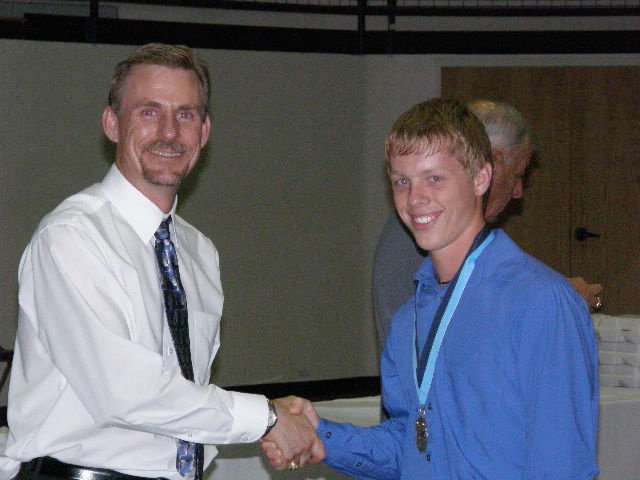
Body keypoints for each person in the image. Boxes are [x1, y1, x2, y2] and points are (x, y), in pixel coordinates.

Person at [0, 43, 324, 480]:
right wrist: (267, 417)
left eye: (185, 115)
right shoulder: (72, 237)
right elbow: (125, 391)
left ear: (204, 132)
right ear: (113, 124)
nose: (169, 133)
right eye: (149, 112)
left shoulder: (197, 251)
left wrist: (275, 417)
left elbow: (182, 393)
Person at [263, 98, 599, 478]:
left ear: (480, 178)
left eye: (434, 178)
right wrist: (321, 439)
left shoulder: (541, 302)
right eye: (402, 181)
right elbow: (411, 446)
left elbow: (562, 465)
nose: (415, 198)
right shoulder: (412, 318)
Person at [372, 99, 603, 356]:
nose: (517, 192)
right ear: (490, 167)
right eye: (518, 175)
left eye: (434, 179)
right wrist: (558, 304)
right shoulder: (426, 228)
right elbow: (454, 336)